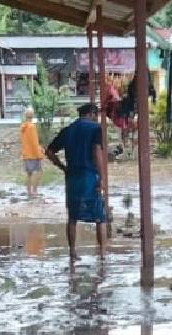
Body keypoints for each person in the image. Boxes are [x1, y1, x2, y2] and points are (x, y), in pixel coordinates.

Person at [45, 103, 108, 261]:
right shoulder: (95, 128)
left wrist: (62, 167)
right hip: (89, 177)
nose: (97, 118)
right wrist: (102, 178)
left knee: (72, 217)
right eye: (96, 115)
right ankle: (102, 253)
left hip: (72, 178)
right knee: (100, 217)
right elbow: (97, 153)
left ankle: (73, 252)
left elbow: (49, 151)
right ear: (92, 114)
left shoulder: (68, 130)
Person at [20, 109, 45, 199]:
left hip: (26, 153)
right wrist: (39, 153)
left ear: (25, 116)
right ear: (33, 115)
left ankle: (29, 192)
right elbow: (34, 142)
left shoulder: (23, 126)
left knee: (29, 174)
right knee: (39, 172)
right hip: (33, 153)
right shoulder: (32, 127)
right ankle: (34, 191)